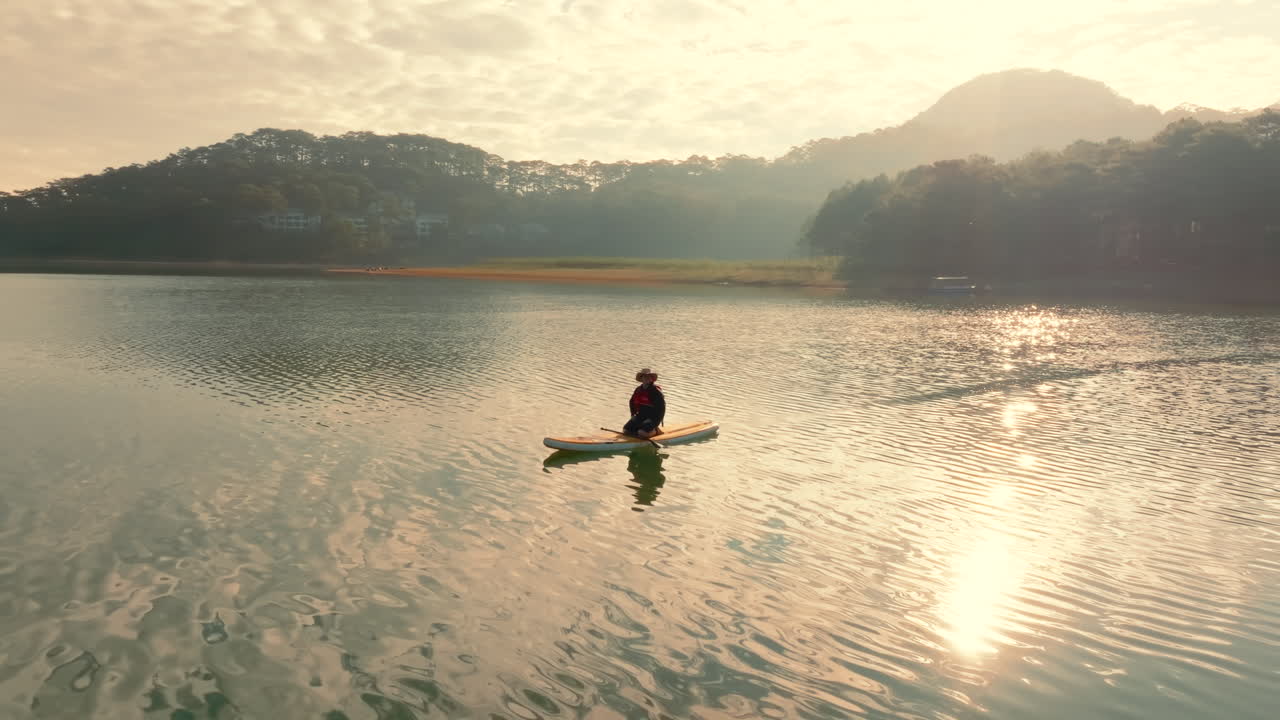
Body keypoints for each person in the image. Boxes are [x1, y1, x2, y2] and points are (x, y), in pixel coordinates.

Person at [624, 368, 665, 439]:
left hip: (653, 418)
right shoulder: (638, 390)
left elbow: (661, 409)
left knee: (641, 433)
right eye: (645, 376)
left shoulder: (656, 391)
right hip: (641, 416)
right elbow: (631, 402)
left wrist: (654, 420)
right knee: (626, 430)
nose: (647, 378)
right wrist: (633, 414)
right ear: (641, 378)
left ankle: (655, 430)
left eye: (649, 377)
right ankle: (641, 429)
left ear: (651, 379)